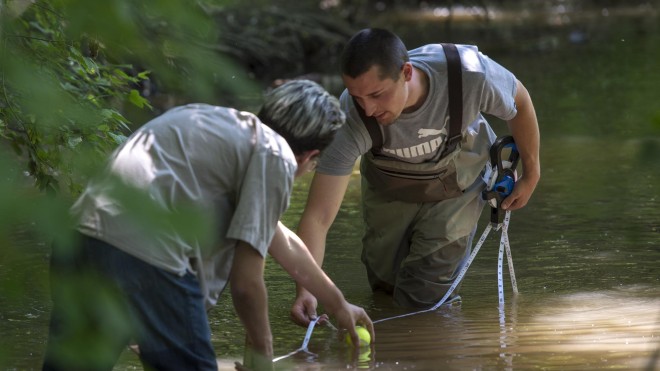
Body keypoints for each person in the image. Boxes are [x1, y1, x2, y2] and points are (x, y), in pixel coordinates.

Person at [42, 79, 374, 371]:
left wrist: (337, 303)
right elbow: (246, 284)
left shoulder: (220, 125)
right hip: (148, 262)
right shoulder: (276, 154)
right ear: (310, 155)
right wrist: (262, 354)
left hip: (79, 242)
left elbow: (278, 237)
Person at [291, 28, 540, 324]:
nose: (368, 109)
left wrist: (531, 172)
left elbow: (519, 102)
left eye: (376, 94)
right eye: (357, 96)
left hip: (456, 187)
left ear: (406, 73)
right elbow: (318, 217)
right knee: (385, 288)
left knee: (423, 297)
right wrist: (306, 289)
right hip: (389, 191)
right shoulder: (350, 118)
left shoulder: (468, 73)